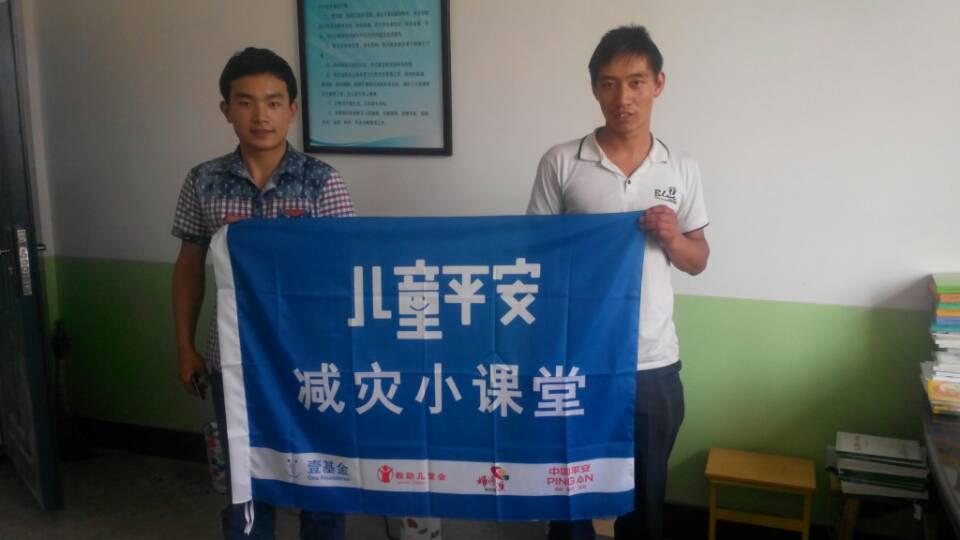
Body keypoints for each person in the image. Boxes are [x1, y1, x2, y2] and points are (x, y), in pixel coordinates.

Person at [527, 25, 710, 540]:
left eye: (635, 82)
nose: (622, 97)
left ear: (658, 84)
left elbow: (698, 260)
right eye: (608, 84)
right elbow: (533, 255)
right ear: (594, 89)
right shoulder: (562, 162)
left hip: (651, 360)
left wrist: (673, 238)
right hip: (576, 357)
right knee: (569, 493)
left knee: (645, 499)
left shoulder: (681, 168)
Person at [171, 47, 354, 539]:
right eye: (246, 102)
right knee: (244, 480)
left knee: (319, 474)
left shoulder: (321, 183)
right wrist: (185, 346)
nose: (260, 115)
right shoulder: (204, 182)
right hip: (233, 360)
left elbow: (344, 275)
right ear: (226, 110)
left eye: (273, 102)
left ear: (292, 109)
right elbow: (189, 266)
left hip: (311, 360)